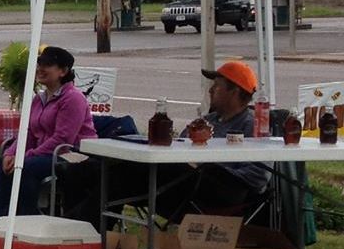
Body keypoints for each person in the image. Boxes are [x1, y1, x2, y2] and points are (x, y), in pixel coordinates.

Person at [84, 59, 272, 223]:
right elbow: (179, 145)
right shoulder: (208, 121)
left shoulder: (254, 124)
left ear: (234, 92)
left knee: (125, 174)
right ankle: (86, 234)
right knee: (113, 173)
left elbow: (259, 176)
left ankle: (87, 238)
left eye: (217, 86)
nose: (211, 90)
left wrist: (212, 168)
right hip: (185, 181)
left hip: (220, 190)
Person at [0, 46, 96, 229]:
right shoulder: (38, 99)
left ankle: (27, 223)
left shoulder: (73, 98)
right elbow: (29, 132)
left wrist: (27, 156)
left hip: (71, 156)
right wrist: (12, 153)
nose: (40, 69)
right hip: (44, 154)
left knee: (26, 167)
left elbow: (63, 139)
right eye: (39, 63)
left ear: (63, 71)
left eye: (48, 65)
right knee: (5, 162)